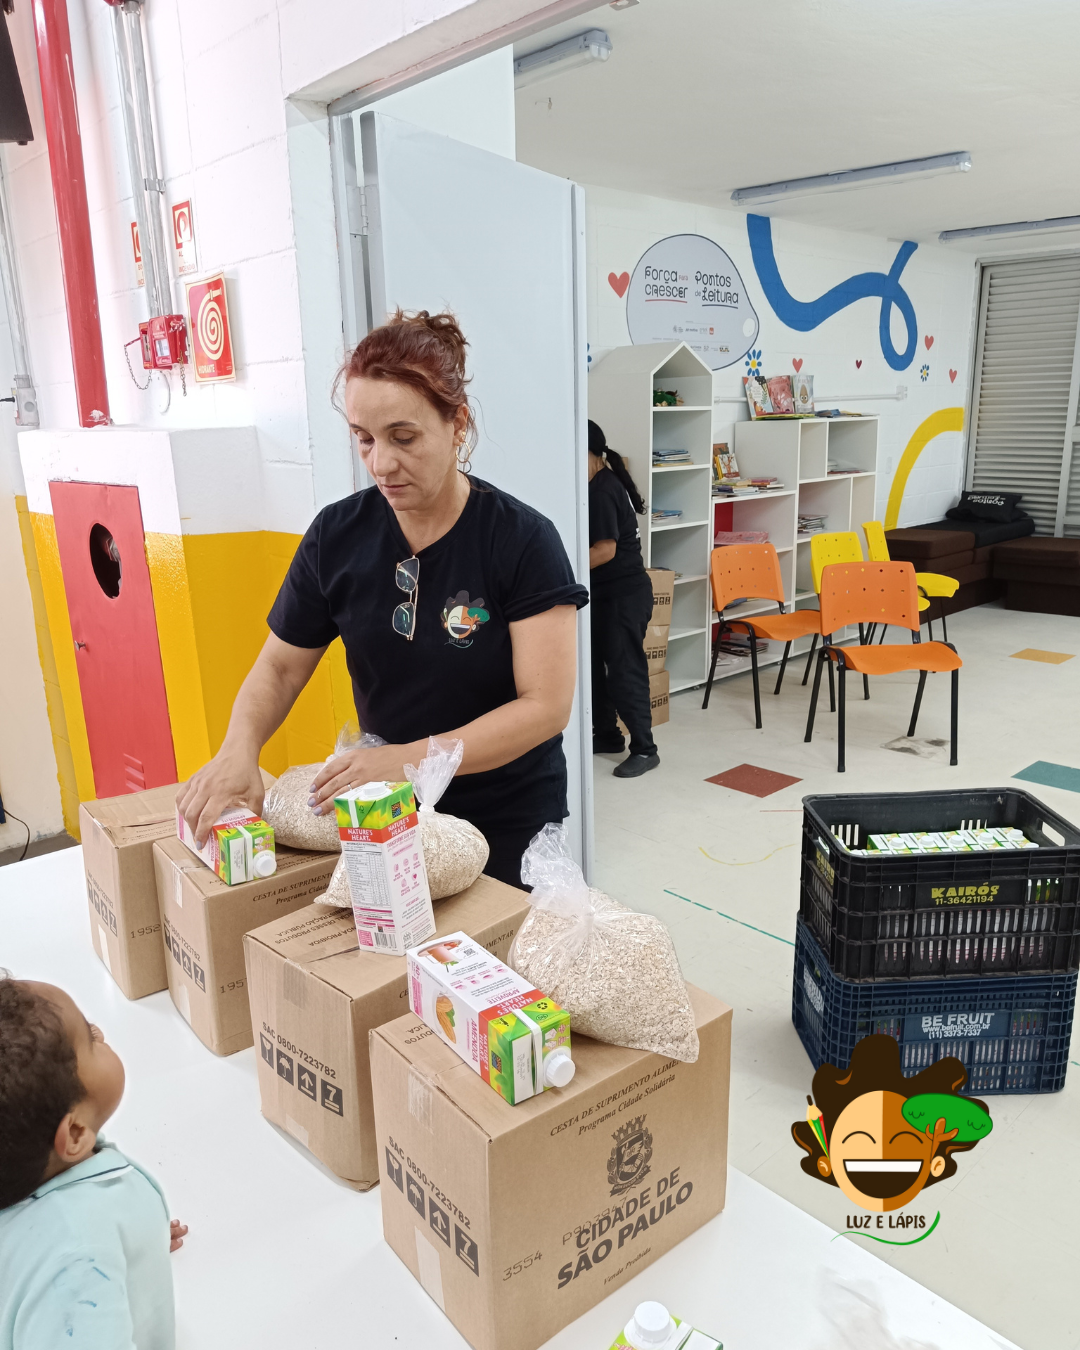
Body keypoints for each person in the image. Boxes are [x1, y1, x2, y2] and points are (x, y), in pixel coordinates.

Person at [177, 310, 589, 887]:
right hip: (384, 810)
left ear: (457, 424)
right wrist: (238, 749)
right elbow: (280, 666)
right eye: (364, 439)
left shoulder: (520, 540)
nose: (381, 464)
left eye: (404, 437)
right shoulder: (336, 536)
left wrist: (408, 759)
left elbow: (544, 707)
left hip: (504, 813)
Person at [0, 976, 186, 1349]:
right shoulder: (77, 1264)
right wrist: (93, 1251)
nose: (100, 1032)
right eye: (89, 1039)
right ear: (74, 1134)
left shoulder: (25, 1163)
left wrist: (133, 1240)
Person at [587, 420, 659, 778]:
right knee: (593, 668)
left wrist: (563, 565)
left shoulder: (602, 489)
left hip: (623, 595)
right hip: (603, 595)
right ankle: (607, 735)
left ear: (590, 454)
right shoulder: (598, 483)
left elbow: (605, 550)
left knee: (624, 670)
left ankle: (645, 749)